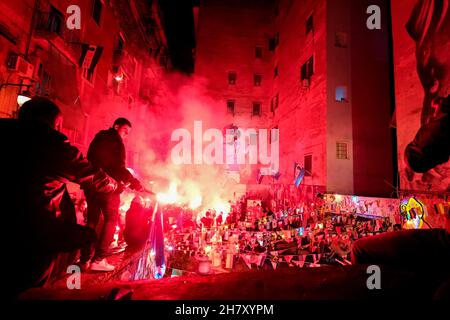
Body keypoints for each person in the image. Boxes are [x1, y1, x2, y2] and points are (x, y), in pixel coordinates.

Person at [0, 97, 117, 297]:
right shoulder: (51, 144)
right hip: (31, 234)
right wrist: (113, 185)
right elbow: (90, 174)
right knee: (29, 289)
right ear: (55, 123)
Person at [80, 118, 143, 272]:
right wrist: (134, 182)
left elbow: (92, 160)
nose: (126, 135)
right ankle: (99, 259)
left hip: (92, 184)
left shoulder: (98, 137)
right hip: (107, 187)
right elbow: (118, 168)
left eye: (128, 133)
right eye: (125, 131)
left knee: (92, 221)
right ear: (116, 127)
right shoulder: (116, 142)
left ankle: (84, 260)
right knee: (111, 219)